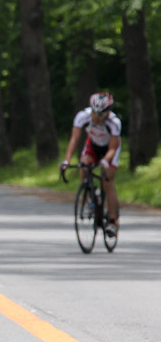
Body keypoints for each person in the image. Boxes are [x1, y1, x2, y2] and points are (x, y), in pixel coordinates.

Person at [60, 92, 121, 237]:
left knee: (108, 181)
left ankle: (113, 221)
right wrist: (67, 160)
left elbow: (112, 148)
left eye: (101, 115)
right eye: (95, 113)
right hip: (93, 145)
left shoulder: (114, 122)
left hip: (110, 149)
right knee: (83, 166)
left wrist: (105, 162)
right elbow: (74, 139)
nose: (97, 118)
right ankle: (91, 200)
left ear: (108, 113)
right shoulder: (82, 116)